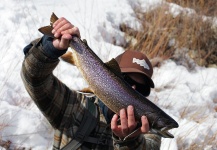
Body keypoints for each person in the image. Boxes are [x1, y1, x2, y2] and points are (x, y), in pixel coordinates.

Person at [21, 16, 161, 150]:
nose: (133, 88)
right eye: (126, 80)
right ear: (108, 75)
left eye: (141, 89)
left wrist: (130, 140)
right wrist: (50, 49)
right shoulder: (74, 105)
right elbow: (34, 78)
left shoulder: (147, 131)